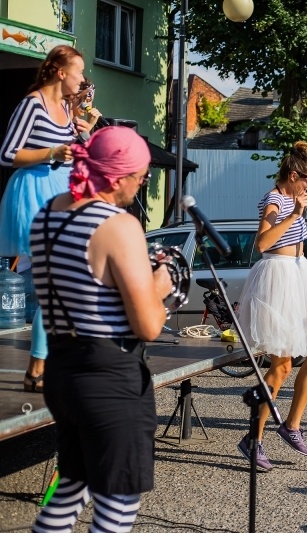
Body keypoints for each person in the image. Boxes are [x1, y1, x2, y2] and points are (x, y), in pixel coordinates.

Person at [29, 127, 172, 532]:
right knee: (118, 501)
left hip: (63, 369)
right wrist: (160, 286)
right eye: (140, 176)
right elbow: (148, 327)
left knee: (72, 486)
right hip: (108, 374)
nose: (142, 183)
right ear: (117, 177)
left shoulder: (47, 216)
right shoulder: (117, 225)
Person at [235, 141, 307, 469]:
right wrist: (293, 214)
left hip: (298, 275)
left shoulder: (294, 199)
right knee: (281, 365)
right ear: (293, 175)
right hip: (277, 276)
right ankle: (254, 438)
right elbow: (262, 242)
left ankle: (291, 425)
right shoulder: (276, 199)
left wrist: (297, 211)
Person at [0, 44, 93, 393]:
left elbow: (72, 155)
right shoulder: (32, 104)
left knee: (64, 283)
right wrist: (52, 152)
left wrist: (85, 133)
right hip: (34, 192)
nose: (83, 79)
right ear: (60, 72)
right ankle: (38, 368)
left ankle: (43, 365)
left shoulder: (68, 111)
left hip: (62, 191)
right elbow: (8, 153)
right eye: (79, 71)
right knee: (55, 284)